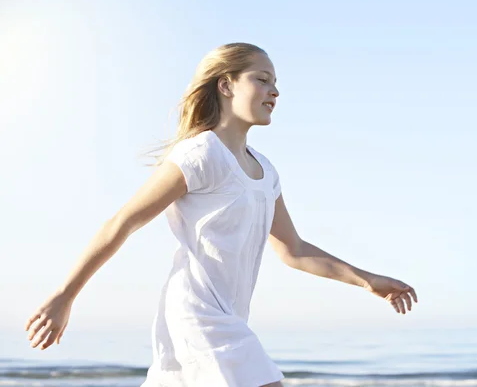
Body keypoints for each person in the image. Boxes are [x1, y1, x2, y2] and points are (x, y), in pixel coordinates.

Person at [24, 42, 418, 387]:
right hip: (196, 313)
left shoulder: (265, 171)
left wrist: (368, 281)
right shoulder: (200, 154)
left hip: (230, 316)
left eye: (275, 82)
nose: (275, 91)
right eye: (262, 79)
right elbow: (123, 222)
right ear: (226, 85)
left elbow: (294, 250)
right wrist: (64, 297)